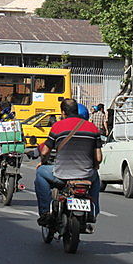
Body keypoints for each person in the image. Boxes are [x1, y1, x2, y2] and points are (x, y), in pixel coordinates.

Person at [34, 98, 103, 229]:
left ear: (64, 112)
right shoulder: (93, 128)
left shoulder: (57, 126)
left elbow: (44, 152)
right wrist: (93, 166)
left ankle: (45, 212)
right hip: (86, 176)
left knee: (40, 173)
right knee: (95, 178)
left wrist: (42, 162)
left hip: (61, 175)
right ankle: (94, 211)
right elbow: (98, 158)